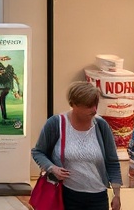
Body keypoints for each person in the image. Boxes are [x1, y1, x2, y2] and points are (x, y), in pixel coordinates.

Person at [33, 81, 121, 210]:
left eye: (95, 104)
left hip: (98, 196)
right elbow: (38, 152)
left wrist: (116, 194)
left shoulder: (101, 125)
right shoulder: (56, 124)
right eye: (88, 106)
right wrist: (52, 168)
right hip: (67, 194)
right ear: (73, 104)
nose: (94, 110)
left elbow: (112, 162)